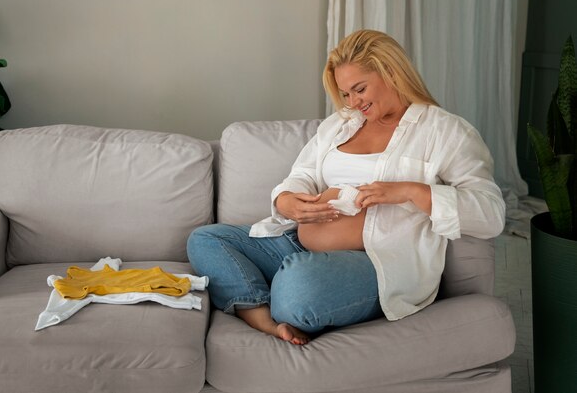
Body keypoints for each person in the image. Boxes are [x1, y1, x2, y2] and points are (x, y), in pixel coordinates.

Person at [187, 29, 505, 345]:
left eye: (359, 89)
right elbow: (302, 175)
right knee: (206, 239)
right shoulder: (340, 124)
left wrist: (411, 191)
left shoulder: (446, 132)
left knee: (300, 287)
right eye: (346, 94)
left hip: (375, 263)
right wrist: (286, 201)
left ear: (391, 72)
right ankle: (261, 316)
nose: (353, 102)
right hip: (297, 246)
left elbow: (490, 213)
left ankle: (285, 288)